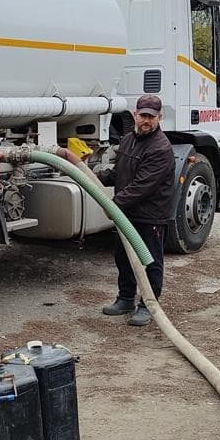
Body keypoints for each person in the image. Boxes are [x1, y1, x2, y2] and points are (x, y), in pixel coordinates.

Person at [98, 93, 174, 327]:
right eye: (143, 115)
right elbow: (121, 172)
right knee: (123, 257)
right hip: (128, 213)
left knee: (150, 261)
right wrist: (98, 176)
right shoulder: (129, 139)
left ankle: (149, 305)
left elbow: (142, 185)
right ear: (135, 115)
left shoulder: (160, 148)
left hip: (150, 214)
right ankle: (126, 299)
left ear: (159, 117)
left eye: (152, 117)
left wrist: (115, 204)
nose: (146, 120)